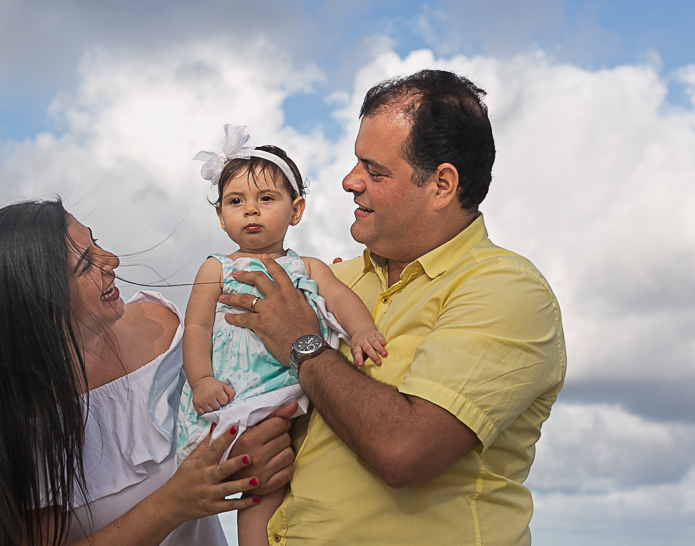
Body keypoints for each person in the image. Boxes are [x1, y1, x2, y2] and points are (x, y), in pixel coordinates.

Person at [219, 70, 566, 545]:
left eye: (374, 170)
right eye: (355, 162)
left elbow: (406, 450)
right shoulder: (329, 281)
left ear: (442, 185)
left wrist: (305, 346)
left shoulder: (506, 289)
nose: (348, 181)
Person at [0, 200, 296, 546]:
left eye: (94, 241)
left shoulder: (158, 326)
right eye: (85, 264)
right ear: (41, 305)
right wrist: (173, 504)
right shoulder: (16, 428)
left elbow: (230, 397)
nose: (111, 261)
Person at [178, 127, 387, 546]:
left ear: (296, 210)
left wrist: (362, 329)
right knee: (251, 483)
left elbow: (341, 298)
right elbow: (197, 327)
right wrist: (201, 380)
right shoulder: (215, 268)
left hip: (289, 389)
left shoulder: (309, 267)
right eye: (236, 202)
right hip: (234, 393)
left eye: (266, 199)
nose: (250, 211)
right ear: (220, 216)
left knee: (277, 478)